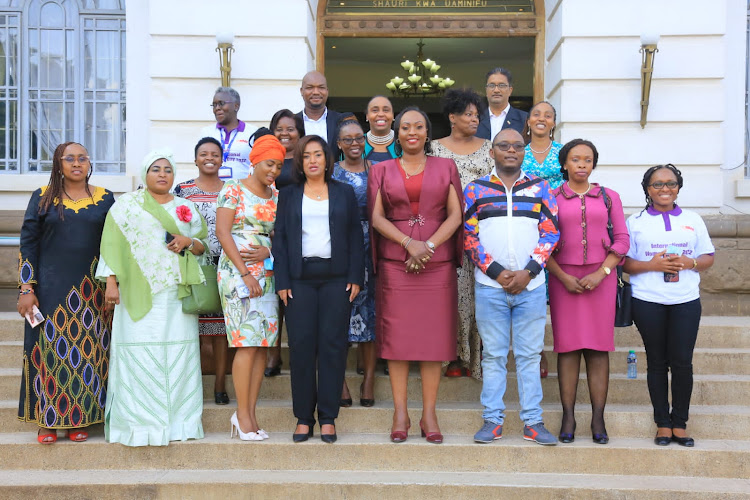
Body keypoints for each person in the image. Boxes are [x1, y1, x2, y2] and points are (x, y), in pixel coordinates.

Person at [97, 149, 208, 447]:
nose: (162, 174)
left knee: (178, 354)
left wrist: (190, 241)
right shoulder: (126, 206)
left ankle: (179, 423)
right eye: (156, 169)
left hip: (177, 295)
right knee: (138, 352)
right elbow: (111, 245)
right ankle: (138, 425)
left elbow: (204, 245)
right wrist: (111, 282)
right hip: (137, 292)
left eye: (168, 169)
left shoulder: (185, 207)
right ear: (145, 174)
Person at [368, 107, 464, 444]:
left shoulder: (446, 166)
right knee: (398, 342)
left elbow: (455, 214)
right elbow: (377, 217)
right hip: (396, 264)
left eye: (419, 126)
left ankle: (429, 413)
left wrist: (429, 245)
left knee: (433, 342)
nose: (412, 132)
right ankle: (400, 412)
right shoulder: (380, 169)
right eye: (405, 126)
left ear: (427, 132)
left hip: (436, 266)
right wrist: (409, 242)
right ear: (396, 132)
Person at [465, 128, 559, 446]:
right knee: (492, 356)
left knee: (529, 356)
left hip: (531, 288)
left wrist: (528, 272)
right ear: (492, 152)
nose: (511, 150)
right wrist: (497, 272)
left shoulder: (540, 188)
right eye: (503, 146)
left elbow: (551, 232)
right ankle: (492, 420)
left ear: (524, 152)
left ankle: (533, 422)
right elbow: (469, 236)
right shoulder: (476, 189)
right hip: (489, 286)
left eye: (517, 146)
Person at [17, 142, 115, 444]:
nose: (76, 163)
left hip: (91, 290)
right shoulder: (42, 198)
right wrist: (26, 288)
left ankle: (79, 419)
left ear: (89, 163)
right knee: (47, 352)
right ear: (58, 164)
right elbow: (28, 243)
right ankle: (47, 420)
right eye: (69, 159)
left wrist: (113, 282)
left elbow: (114, 243)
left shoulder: (105, 199)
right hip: (49, 290)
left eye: (82, 158)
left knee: (89, 353)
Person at [273, 135, 364, 443]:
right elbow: (281, 240)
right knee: (300, 348)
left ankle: (327, 417)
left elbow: (355, 235)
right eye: (306, 156)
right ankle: (303, 417)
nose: (313, 160)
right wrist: (282, 280)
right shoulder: (288, 194)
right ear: (300, 162)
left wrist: (355, 275)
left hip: (336, 278)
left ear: (327, 160)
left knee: (333, 346)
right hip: (299, 279)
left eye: (318, 155)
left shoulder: (344, 192)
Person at [623, 164, 715, 447]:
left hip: (685, 300)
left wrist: (691, 263)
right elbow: (624, 263)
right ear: (647, 189)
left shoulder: (693, 219)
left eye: (671, 183)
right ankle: (662, 423)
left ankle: (680, 423)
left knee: (682, 363)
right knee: (657, 362)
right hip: (647, 300)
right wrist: (653, 264)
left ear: (678, 187)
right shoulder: (635, 221)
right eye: (657, 184)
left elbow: (708, 257)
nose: (665, 189)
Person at [546, 139, 629, 445]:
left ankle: (598, 416)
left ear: (594, 164)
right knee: (567, 348)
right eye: (575, 159)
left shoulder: (609, 197)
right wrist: (562, 276)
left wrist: (601, 272)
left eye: (587, 160)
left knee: (597, 348)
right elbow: (541, 241)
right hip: (562, 279)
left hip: (601, 279)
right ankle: (568, 415)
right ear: (564, 164)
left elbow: (621, 240)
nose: (582, 164)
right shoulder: (551, 197)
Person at [215, 135, 285, 441]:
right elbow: (222, 231)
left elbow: (280, 237)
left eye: (279, 166)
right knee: (246, 342)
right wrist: (245, 273)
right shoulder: (233, 190)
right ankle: (241, 415)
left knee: (261, 346)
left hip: (267, 275)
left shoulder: (276, 196)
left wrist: (268, 253)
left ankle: (250, 414)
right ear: (255, 160)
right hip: (238, 275)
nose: (274, 171)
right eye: (270, 163)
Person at [431, 88, 494, 380]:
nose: (474, 119)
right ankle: (454, 356)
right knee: (453, 296)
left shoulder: (490, 147)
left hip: (484, 232)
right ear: (452, 117)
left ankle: (477, 358)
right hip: (447, 231)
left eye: (476, 114)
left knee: (480, 296)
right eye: (468, 114)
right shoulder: (434, 148)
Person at [174, 137, 230, 405]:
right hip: (193, 264)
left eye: (215, 154)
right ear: (195, 159)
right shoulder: (183, 191)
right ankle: (192, 386)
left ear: (222, 159)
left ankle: (220, 385)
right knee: (192, 327)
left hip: (226, 264)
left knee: (221, 330)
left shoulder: (232, 189)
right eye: (204, 154)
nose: (210, 158)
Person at [333, 116, 377, 407]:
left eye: (359, 138)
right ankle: (342, 382)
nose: (354, 143)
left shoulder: (377, 170)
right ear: (338, 144)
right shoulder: (332, 173)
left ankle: (369, 381)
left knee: (371, 316)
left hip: (372, 246)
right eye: (348, 139)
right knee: (338, 317)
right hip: (340, 248)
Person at [521, 100, 563, 378]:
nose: (541, 118)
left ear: (553, 123)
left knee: (556, 294)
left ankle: (563, 345)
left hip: (559, 225)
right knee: (532, 292)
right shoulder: (516, 151)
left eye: (547, 115)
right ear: (528, 121)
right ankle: (537, 352)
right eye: (536, 114)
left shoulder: (564, 152)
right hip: (524, 225)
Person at [264, 109, 305, 378]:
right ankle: (274, 354)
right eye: (280, 128)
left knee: (295, 295)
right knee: (274, 295)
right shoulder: (268, 161)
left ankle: (299, 353)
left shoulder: (305, 159)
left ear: (299, 132)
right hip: (271, 232)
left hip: (300, 233)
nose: (285, 133)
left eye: (290, 128)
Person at [200, 86, 259, 180]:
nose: (217, 108)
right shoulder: (207, 132)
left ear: (236, 106)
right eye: (214, 105)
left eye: (221, 103)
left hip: (243, 191)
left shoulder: (253, 132)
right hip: (213, 191)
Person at [476, 67, 528, 140]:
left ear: (510, 90)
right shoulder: (476, 119)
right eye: (492, 86)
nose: (496, 90)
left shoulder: (524, 119)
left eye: (501, 85)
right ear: (486, 90)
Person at [295, 71, 343, 145]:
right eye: (310, 87)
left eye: (321, 87)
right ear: (301, 91)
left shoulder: (340, 121)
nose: (316, 92)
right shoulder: (293, 122)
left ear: (327, 91)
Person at [364, 95, 397, 162]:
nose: (381, 114)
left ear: (393, 115)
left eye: (386, 110)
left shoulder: (403, 142)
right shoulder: (356, 143)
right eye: (375, 110)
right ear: (367, 116)